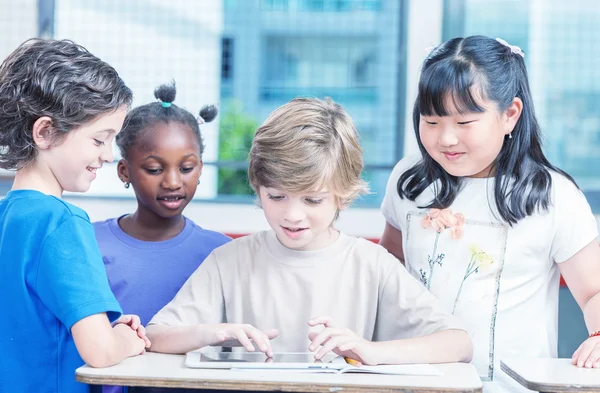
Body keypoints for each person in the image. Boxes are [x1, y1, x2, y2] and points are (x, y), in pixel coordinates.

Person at [145, 97, 473, 366]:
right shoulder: (230, 261)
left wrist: (370, 350)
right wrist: (211, 333)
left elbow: (458, 344)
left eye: (313, 199)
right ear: (258, 187)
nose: (292, 214)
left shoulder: (372, 264)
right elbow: (156, 335)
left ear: (343, 192)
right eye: (276, 196)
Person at [379, 35, 600, 392]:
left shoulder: (551, 195)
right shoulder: (410, 181)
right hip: (412, 382)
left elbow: (593, 292)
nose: (446, 139)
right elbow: (387, 268)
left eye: (464, 123)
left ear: (510, 114)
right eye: (431, 122)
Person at [0, 39, 150, 393]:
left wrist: (105, 326)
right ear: (45, 131)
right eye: (99, 140)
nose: (109, 155)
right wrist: (127, 339)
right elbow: (99, 351)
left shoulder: (8, 215)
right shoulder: (62, 222)